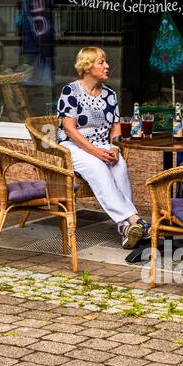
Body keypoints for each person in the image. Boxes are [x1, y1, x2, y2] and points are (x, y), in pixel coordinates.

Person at [56, 46, 149, 249]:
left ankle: (126, 227)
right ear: (87, 67)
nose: (107, 66)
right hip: (73, 146)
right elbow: (70, 130)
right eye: (101, 62)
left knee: (120, 166)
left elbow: (116, 126)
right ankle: (134, 220)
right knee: (98, 167)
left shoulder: (109, 95)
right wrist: (95, 152)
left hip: (102, 145)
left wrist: (114, 148)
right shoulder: (70, 91)